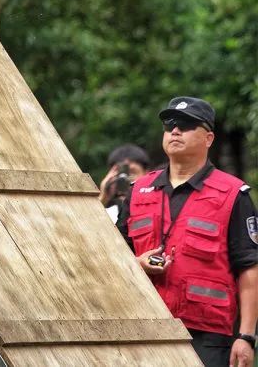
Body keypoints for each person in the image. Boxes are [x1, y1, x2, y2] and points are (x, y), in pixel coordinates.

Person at [118, 95, 258, 367]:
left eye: (186, 125)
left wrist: (247, 336)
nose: (175, 130)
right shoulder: (137, 192)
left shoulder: (233, 195)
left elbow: (249, 269)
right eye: (169, 124)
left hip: (207, 335)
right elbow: (111, 255)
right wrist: (136, 264)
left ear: (208, 139)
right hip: (142, 327)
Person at [98, 143, 150, 223]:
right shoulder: (108, 215)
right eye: (119, 173)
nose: (125, 179)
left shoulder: (159, 210)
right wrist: (102, 199)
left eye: (132, 173)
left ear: (147, 174)